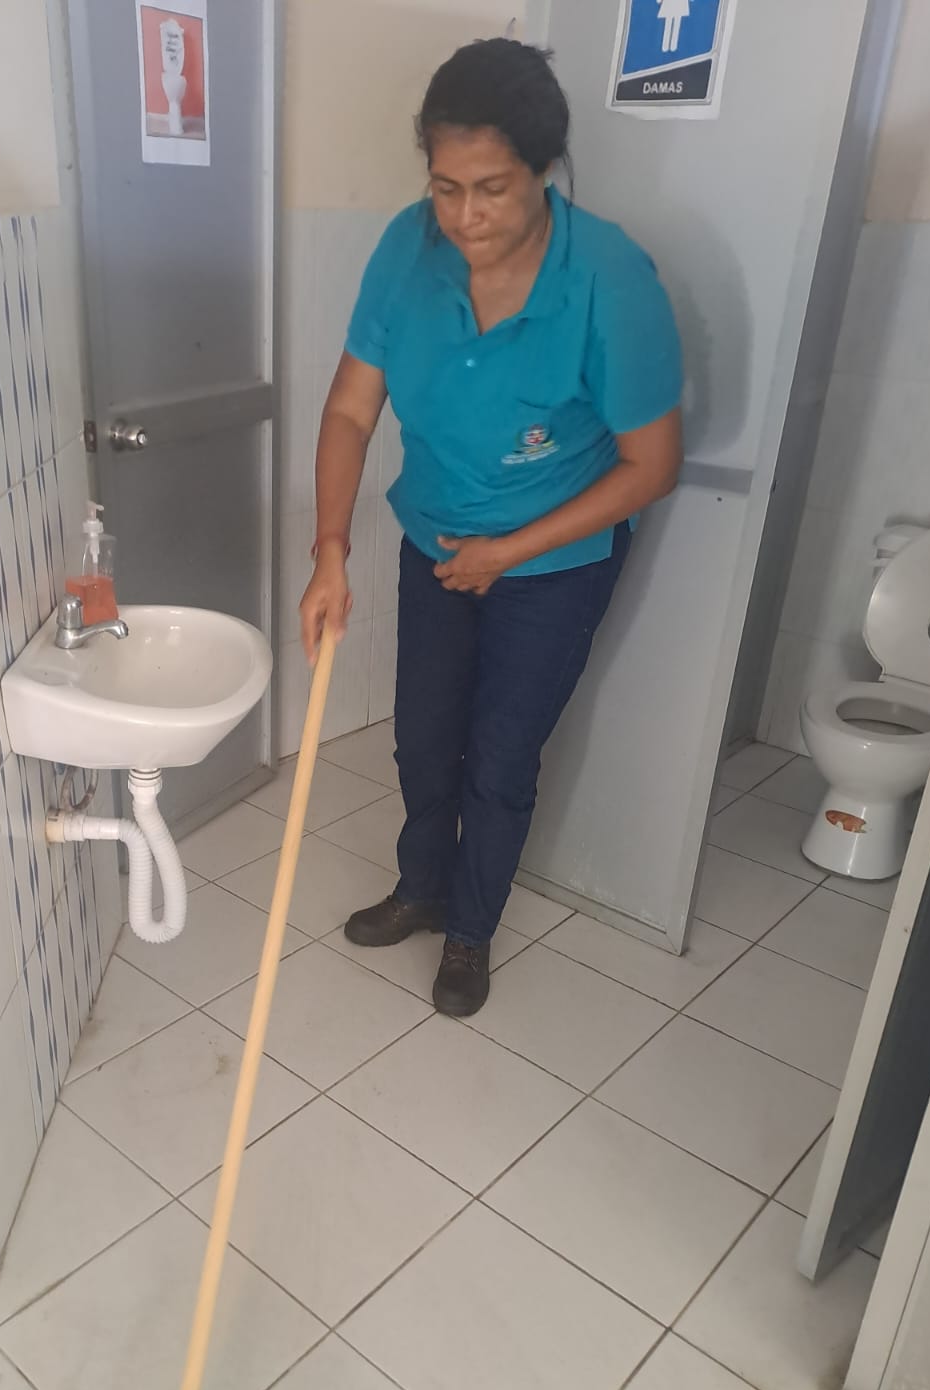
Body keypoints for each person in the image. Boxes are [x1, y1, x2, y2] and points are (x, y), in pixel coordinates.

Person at [300, 38, 683, 1017]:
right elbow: (350, 409)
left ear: (544, 170)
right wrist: (330, 551)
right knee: (424, 741)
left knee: (502, 758)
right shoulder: (406, 249)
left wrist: (507, 553)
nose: (465, 216)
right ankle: (423, 888)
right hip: (435, 541)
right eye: (445, 188)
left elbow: (651, 464)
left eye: (492, 189)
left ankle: (470, 931)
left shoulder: (610, 277)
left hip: (555, 562)